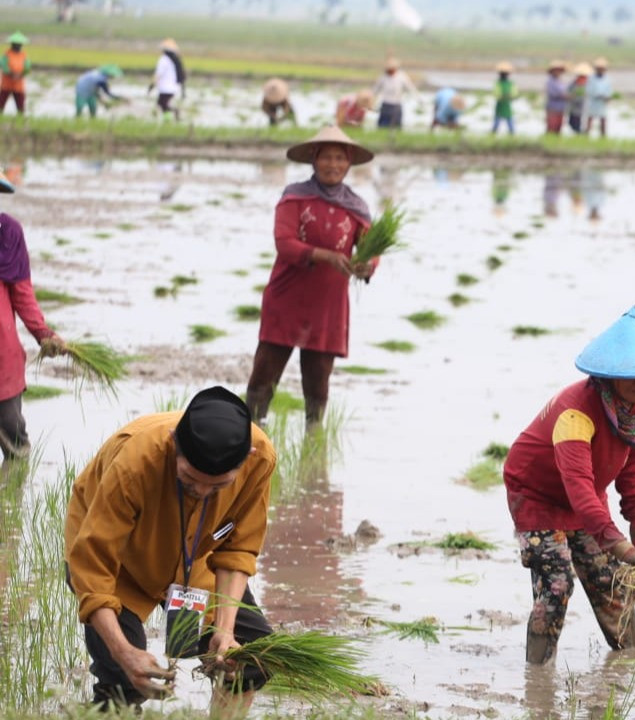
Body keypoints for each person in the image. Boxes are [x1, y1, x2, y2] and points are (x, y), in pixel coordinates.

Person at [64, 386, 278, 712]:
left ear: (245, 459)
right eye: (189, 481)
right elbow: (93, 570)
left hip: (197, 559)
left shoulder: (259, 458)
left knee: (249, 659)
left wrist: (224, 630)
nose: (203, 492)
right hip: (119, 561)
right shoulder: (135, 463)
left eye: (219, 486)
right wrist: (124, 653)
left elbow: (238, 551)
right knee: (121, 682)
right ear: (173, 444)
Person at [503, 306, 635, 664]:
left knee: (612, 586)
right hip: (536, 494)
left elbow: (633, 463)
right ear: (609, 374)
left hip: (585, 497)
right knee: (557, 583)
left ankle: (631, 666)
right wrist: (625, 550)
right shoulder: (577, 412)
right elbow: (580, 491)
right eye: (633, 376)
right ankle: (538, 680)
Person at [246, 126, 376, 426]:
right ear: (314, 161)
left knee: (318, 380)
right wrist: (326, 256)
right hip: (286, 298)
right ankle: (249, 432)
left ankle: (313, 441)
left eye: (340, 158)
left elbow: (369, 251)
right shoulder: (294, 198)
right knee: (265, 373)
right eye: (326, 158)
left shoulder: (356, 208)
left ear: (349, 163)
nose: (333, 165)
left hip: (328, 305)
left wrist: (366, 266)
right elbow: (285, 243)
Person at [0, 174, 66, 462]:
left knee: (13, 435)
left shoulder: (9, 233)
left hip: (2, 355)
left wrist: (43, 334)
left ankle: (13, 498)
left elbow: (22, 293)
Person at [373, 57, 415, 130]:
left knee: (396, 127)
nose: (389, 71)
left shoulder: (402, 76)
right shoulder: (383, 77)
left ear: (395, 68)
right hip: (386, 104)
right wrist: (371, 100)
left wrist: (418, 98)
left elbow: (410, 88)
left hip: (396, 105)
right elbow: (375, 90)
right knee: (382, 126)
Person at [149, 38, 185, 120]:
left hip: (166, 87)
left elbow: (158, 74)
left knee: (162, 104)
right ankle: (168, 119)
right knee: (161, 104)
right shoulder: (175, 60)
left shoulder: (164, 59)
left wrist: (151, 85)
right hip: (173, 87)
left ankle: (173, 115)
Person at [1, 31, 29, 116]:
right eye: (15, 44)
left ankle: (20, 118)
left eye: (19, 44)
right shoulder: (7, 54)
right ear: (12, 44)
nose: (17, 46)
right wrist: (12, 74)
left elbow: (27, 67)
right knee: (1, 102)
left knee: (20, 105)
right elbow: (3, 65)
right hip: (7, 83)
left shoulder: (23, 55)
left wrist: (20, 74)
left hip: (18, 84)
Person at [584, 58, 612, 138]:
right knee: (590, 118)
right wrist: (596, 95)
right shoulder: (591, 78)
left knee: (603, 119)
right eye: (599, 69)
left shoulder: (607, 79)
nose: (600, 70)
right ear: (596, 69)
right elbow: (588, 90)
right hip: (593, 101)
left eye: (602, 69)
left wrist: (607, 97)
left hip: (602, 102)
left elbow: (609, 90)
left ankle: (603, 136)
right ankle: (586, 135)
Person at [492, 61, 517, 135]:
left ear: (508, 74)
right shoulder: (497, 83)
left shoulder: (511, 83)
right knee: (496, 123)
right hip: (500, 105)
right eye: (502, 73)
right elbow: (496, 95)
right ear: (500, 74)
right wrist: (505, 96)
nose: (504, 75)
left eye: (505, 74)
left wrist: (509, 96)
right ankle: (493, 135)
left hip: (507, 105)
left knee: (510, 123)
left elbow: (514, 94)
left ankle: (512, 136)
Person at [544, 59, 568, 135]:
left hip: (561, 107)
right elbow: (552, 94)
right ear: (552, 71)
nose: (557, 72)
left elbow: (565, 92)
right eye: (556, 70)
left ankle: (556, 141)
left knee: (559, 126)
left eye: (559, 70)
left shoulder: (561, 81)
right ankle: (549, 141)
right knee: (551, 126)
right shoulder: (550, 82)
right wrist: (563, 96)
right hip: (552, 107)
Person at [566, 63, 590, 134]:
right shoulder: (574, 83)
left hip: (582, 106)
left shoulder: (587, 83)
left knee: (579, 122)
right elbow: (569, 92)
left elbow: (589, 94)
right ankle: (579, 133)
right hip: (573, 106)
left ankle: (580, 134)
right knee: (571, 122)